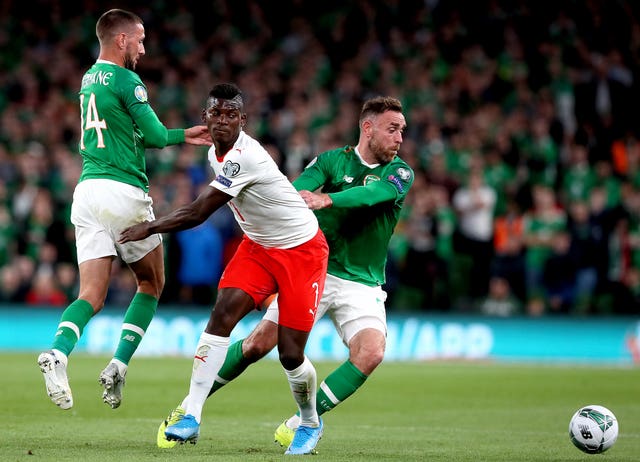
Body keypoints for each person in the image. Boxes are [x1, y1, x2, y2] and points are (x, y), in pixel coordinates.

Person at [155, 96, 414, 450]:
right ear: (367, 127)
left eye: (402, 131)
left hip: (362, 283)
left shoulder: (400, 172)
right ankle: (188, 408)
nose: (399, 138)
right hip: (313, 269)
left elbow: (373, 195)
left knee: (371, 352)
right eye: (393, 129)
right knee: (257, 344)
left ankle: (305, 421)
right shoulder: (331, 161)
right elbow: (291, 192)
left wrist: (328, 199)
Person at [118, 83, 329, 455]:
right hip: (258, 247)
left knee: (290, 353)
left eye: (232, 114)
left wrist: (149, 227)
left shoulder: (244, 156)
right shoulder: (216, 154)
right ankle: (191, 416)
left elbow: (199, 212)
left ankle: (310, 421)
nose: (223, 121)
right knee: (222, 314)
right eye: (216, 113)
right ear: (206, 117)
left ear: (242, 120)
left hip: (302, 251)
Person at [36, 8, 211, 412]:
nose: (143, 49)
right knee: (151, 284)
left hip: (87, 189)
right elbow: (152, 135)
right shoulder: (127, 80)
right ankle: (118, 363)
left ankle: (59, 354)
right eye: (140, 40)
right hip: (122, 191)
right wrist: (185, 134)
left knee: (91, 294)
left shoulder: (88, 78)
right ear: (121, 40)